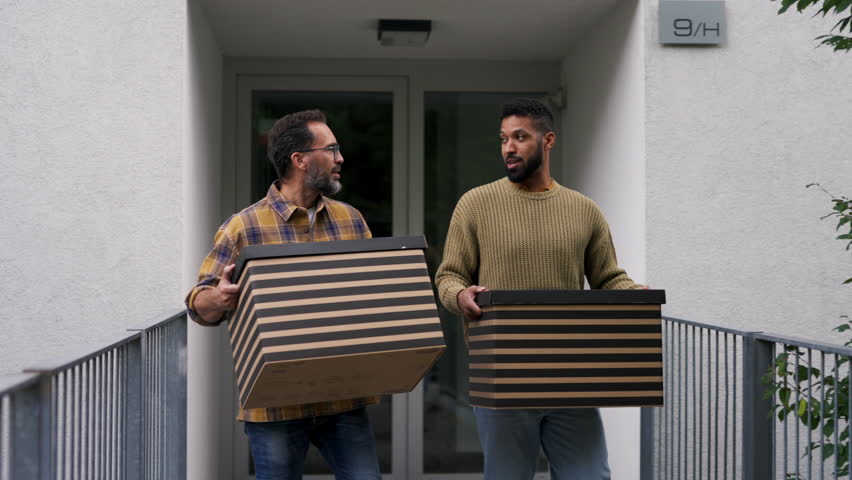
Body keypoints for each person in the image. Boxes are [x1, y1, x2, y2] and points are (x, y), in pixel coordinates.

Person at [435, 98, 642, 480]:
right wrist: (460, 296)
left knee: (590, 475)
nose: (508, 148)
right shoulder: (475, 205)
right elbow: (449, 276)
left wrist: (635, 295)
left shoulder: (584, 210)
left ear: (548, 140)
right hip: (501, 376)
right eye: (503, 139)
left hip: (570, 376)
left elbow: (608, 278)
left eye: (520, 137)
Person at [185, 109, 381, 480]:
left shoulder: (351, 220)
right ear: (300, 160)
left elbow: (372, 295)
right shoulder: (243, 227)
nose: (341, 159)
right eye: (332, 149)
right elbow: (199, 304)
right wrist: (220, 298)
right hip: (275, 407)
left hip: (343, 399)